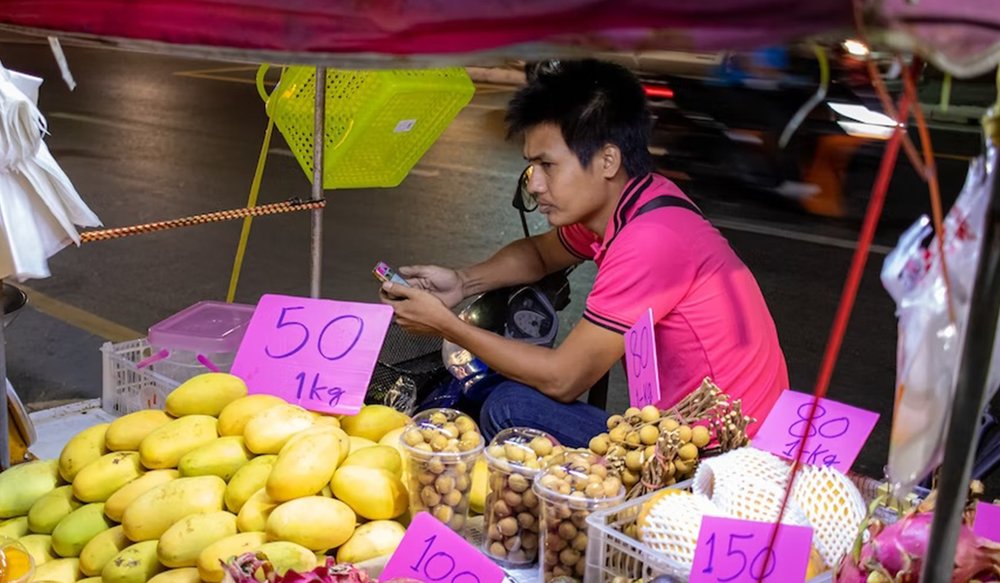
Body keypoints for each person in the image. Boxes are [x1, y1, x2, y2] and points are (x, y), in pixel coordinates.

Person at [380, 59, 789, 448]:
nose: (535, 184)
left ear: (607, 159)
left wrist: (448, 326)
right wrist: (462, 281)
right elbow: (541, 255)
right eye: (531, 167)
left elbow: (564, 378)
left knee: (510, 408)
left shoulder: (651, 241)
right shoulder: (639, 201)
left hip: (718, 455)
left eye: (548, 165)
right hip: (676, 426)